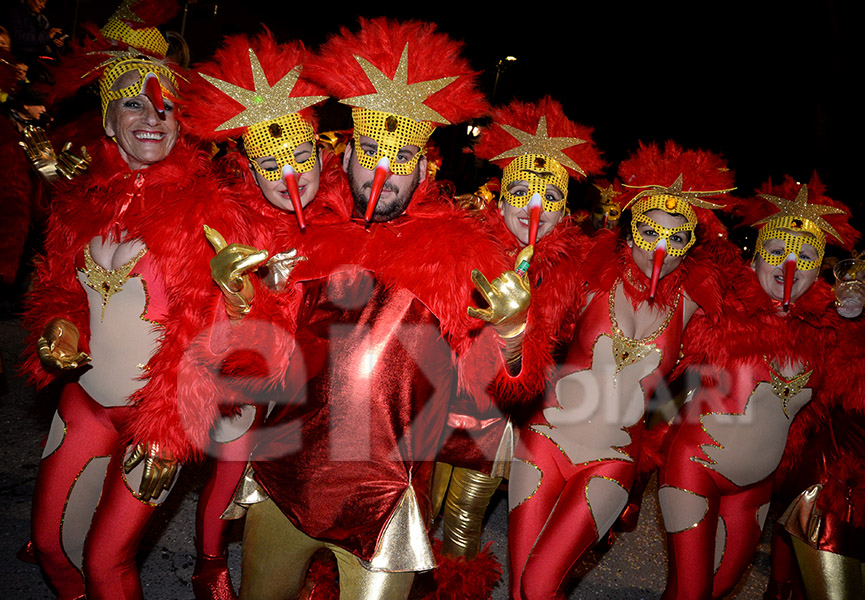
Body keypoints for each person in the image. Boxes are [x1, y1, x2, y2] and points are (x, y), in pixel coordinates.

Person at [220, 18, 532, 600]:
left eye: (402, 155)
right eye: (370, 150)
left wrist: (511, 334)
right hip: (283, 483)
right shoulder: (304, 234)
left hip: (384, 505)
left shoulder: (464, 257)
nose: (383, 170)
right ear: (346, 151)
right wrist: (238, 298)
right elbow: (252, 362)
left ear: (425, 167)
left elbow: (487, 389)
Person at [20, 30, 251, 599]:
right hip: (85, 402)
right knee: (50, 547)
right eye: (134, 102)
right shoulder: (80, 200)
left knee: (107, 563)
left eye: (167, 106)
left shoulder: (209, 211)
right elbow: (59, 291)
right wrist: (59, 328)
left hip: (157, 419)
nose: (153, 115)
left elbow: (223, 343)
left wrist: (171, 426)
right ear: (107, 121)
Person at [508, 141, 736, 599]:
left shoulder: (697, 305)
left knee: (538, 584)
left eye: (676, 237)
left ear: (690, 245)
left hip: (610, 461)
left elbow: (760, 321)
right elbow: (532, 270)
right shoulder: (587, 276)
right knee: (520, 590)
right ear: (629, 234)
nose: (661, 248)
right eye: (651, 232)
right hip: (543, 443)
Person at [177, 29, 337, 600]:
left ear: (322, 156)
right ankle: (210, 563)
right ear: (249, 171)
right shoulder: (228, 223)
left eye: (300, 157)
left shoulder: (345, 214)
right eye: (271, 164)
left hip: (315, 382)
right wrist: (247, 292)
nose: (290, 176)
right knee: (233, 452)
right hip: (246, 374)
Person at [657, 175, 856, 600]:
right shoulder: (720, 306)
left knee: (720, 586)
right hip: (696, 468)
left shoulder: (826, 333)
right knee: (692, 592)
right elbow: (668, 287)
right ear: (754, 260)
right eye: (777, 251)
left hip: (755, 488)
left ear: (819, 270)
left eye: (804, 256)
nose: (789, 266)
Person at [432, 96, 605, 569]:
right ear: (499, 195)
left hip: (493, 417)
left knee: (463, 522)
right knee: (414, 511)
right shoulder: (461, 241)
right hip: (432, 407)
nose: (535, 207)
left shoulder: (572, 271)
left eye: (549, 198)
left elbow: (558, 353)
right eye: (522, 192)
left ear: (565, 209)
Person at [765, 225, 865, 600]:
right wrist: (838, 313)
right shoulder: (846, 328)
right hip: (834, 494)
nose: (862, 283)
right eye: (859, 275)